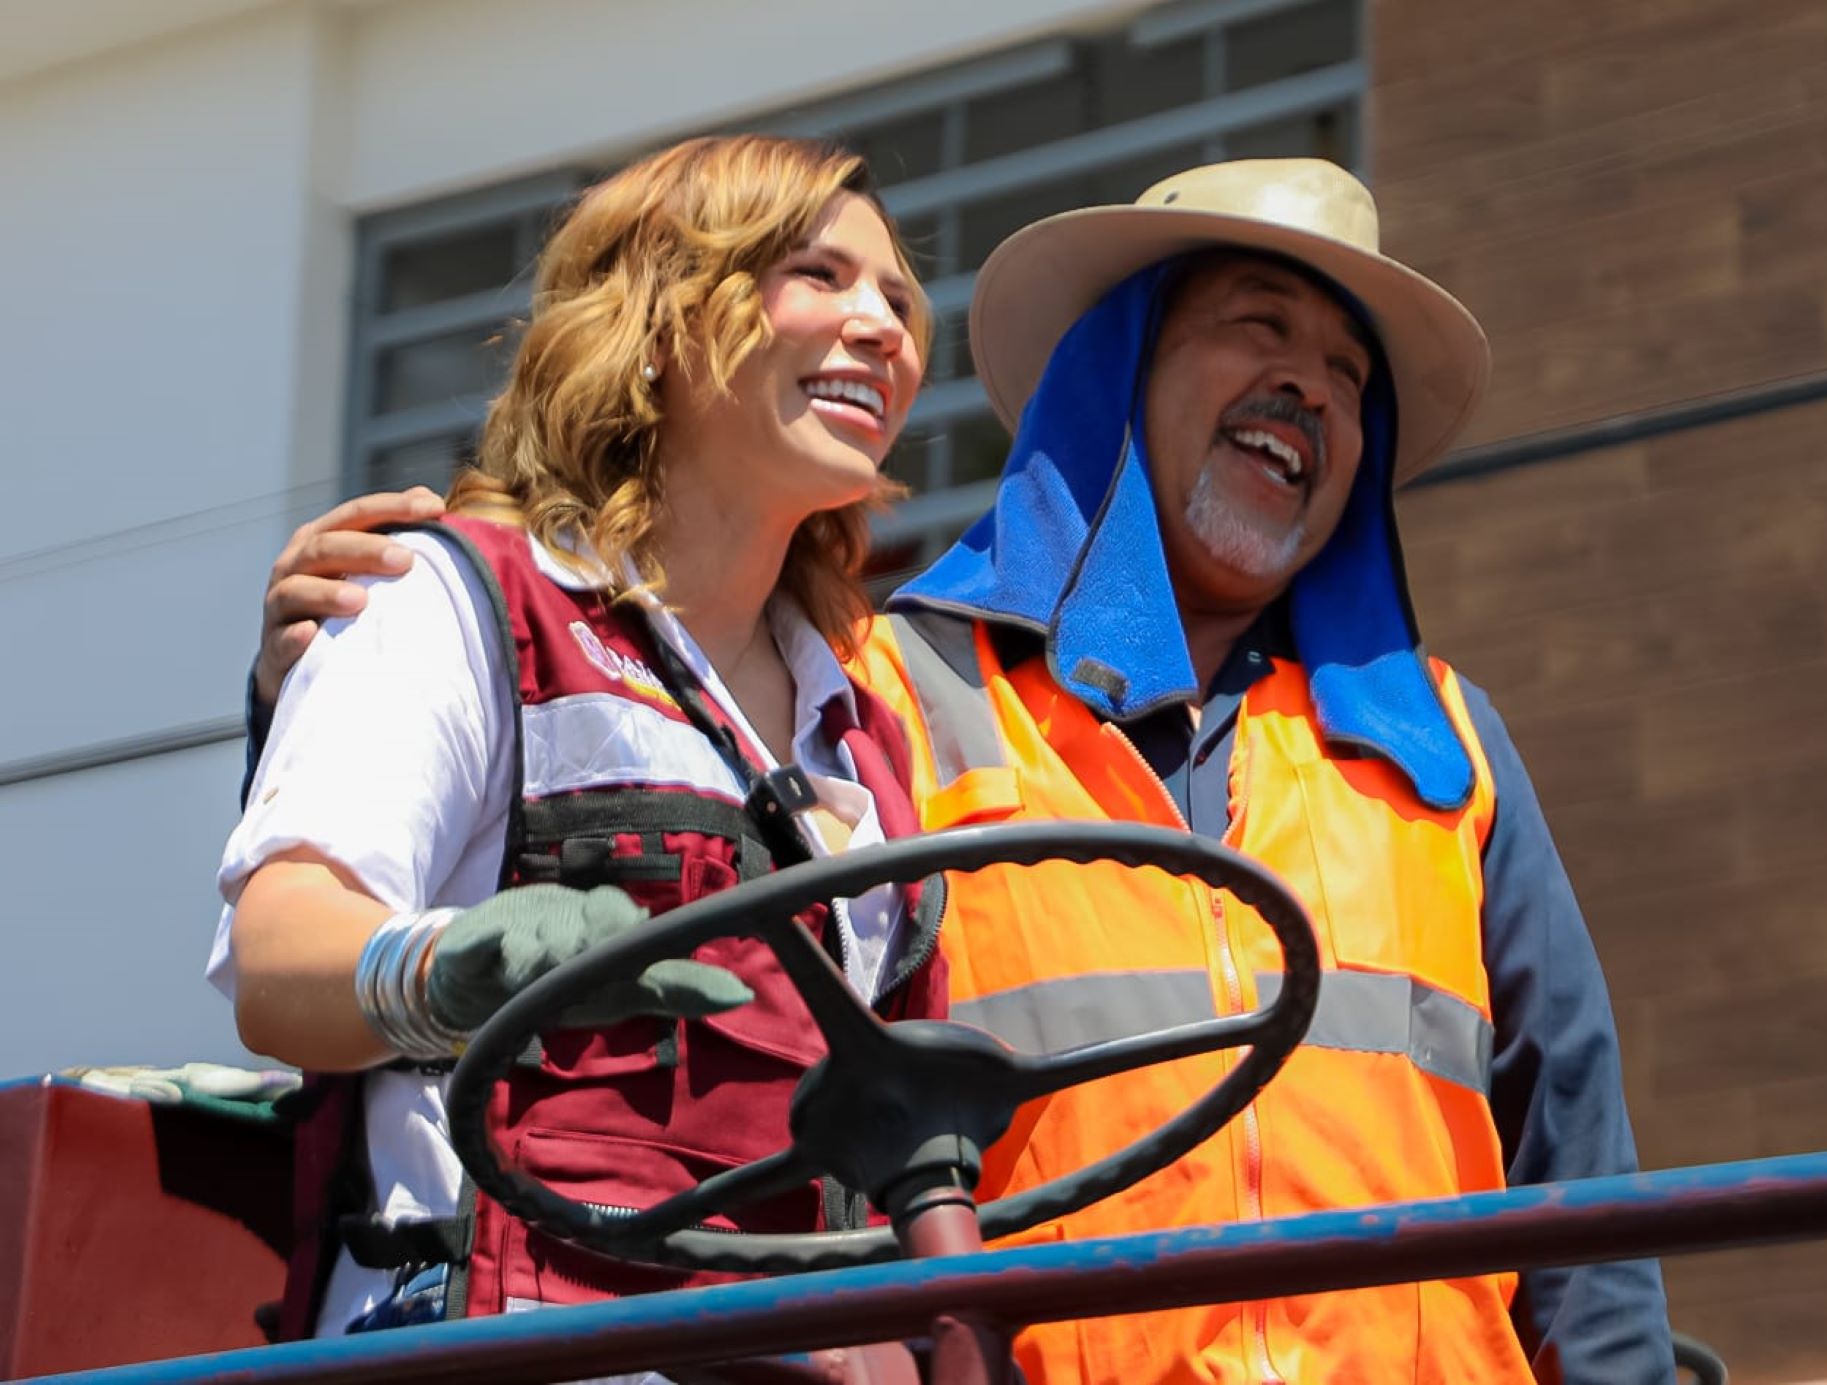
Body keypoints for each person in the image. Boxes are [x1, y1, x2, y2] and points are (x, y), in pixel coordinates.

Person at [249, 159, 1673, 1383]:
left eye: (1349, 378)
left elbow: (1577, 1158)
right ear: (1121, 374)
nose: (1310, 387)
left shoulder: (1448, 750)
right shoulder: (875, 693)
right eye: (1261, 329)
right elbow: (533, 799)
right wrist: (304, 687)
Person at [214, 133, 944, 1343]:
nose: (887, 328)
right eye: (818, 275)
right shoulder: (448, 598)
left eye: (902, 301)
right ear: (660, 320)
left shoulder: (863, 737)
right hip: (500, 1346)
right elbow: (276, 956)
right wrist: (446, 968)